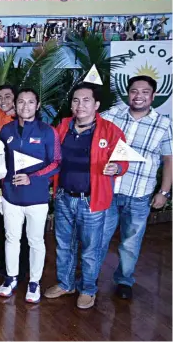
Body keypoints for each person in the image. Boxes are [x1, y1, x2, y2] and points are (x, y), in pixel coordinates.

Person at [45, 83, 129, 310]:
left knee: (91, 248)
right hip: (63, 196)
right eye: (75, 100)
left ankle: (88, 289)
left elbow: (123, 159)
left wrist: (117, 168)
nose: (79, 105)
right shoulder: (63, 126)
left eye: (86, 100)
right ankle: (66, 284)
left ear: (97, 105)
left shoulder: (110, 130)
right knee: (64, 245)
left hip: (92, 200)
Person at [100, 75, 172, 300]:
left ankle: (124, 280)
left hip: (139, 193)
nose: (138, 96)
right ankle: (89, 278)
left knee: (131, 242)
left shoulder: (163, 124)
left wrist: (164, 192)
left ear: (153, 96)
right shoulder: (112, 115)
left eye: (144, 92)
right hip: (109, 190)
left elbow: (169, 159)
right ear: (128, 93)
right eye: (134, 91)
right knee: (99, 237)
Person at [0, 89, 60, 303]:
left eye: (30, 102)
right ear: (15, 104)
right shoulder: (6, 130)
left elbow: (56, 163)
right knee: (11, 239)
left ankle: (34, 282)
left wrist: (32, 177)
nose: (25, 106)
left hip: (37, 197)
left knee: (35, 241)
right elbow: (1, 161)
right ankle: (11, 277)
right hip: (10, 196)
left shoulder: (47, 131)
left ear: (38, 104)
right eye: (21, 102)